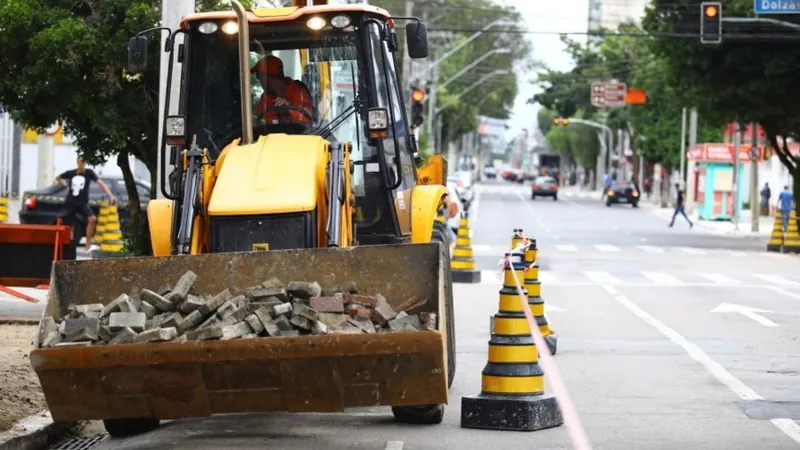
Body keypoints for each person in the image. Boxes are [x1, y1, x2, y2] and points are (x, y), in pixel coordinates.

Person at [56, 156, 117, 252]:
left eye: (83, 161)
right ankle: (68, 248)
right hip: (71, 201)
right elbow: (58, 177)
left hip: (83, 202)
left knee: (92, 219)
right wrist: (64, 185)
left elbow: (100, 183)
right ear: (77, 162)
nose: (81, 163)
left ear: (85, 162)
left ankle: (88, 244)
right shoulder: (71, 173)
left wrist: (110, 194)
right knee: (70, 225)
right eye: (80, 161)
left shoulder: (89, 173)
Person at [251, 55, 314, 126]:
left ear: (267, 78)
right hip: (269, 136)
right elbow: (257, 123)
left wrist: (289, 108)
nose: (259, 81)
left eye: (258, 77)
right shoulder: (265, 97)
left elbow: (308, 123)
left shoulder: (300, 92)